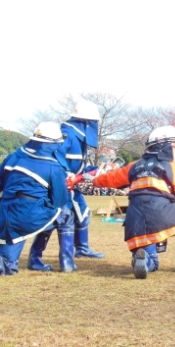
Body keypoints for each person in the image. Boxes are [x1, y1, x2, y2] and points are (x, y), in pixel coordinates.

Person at [0, 122, 75, 283]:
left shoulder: (14, 156)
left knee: (7, 265)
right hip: (32, 213)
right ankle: (65, 263)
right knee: (65, 215)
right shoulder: (53, 167)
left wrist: (3, 201)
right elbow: (59, 202)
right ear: (53, 144)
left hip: (7, 214)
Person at [90, 125, 175, 279]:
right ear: (164, 147)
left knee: (152, 261)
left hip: (135, 224)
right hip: (162, 218)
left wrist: (94, 181)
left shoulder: (133, 167)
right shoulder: (173, 168)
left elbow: (110, 179)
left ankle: (145, 261)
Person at [27, 100, 104, 272]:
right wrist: (64, 177)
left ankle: (81, 249)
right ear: (86, 122)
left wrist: (94, 170)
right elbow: (54, 158)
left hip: (71, 185)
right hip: (60, 186)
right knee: (53, 220)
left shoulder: (78, 138)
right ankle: (35, 257)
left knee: (82, 214)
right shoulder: (67, 134)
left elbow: (78, 166)